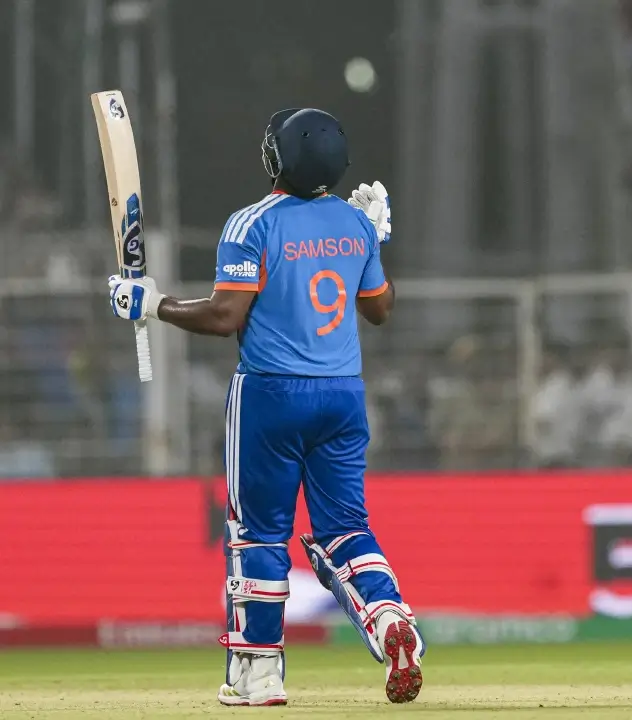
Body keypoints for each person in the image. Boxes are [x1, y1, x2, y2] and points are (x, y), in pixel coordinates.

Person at [106, 108, 424, 706]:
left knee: (258, 534)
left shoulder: (251, 222)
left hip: (270, 395)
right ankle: (388, 619)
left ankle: (258, 675)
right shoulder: (355, 223)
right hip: (342, 395)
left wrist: (152, 304)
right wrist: (371, 242)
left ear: (279, 157)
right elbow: (380, 309)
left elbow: (226, 315)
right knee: (346, 529)